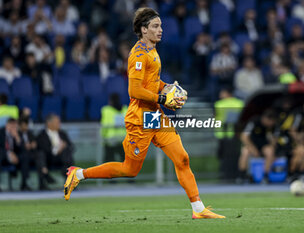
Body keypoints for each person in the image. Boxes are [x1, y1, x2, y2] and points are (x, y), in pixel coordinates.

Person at [64, 7, 225, 219]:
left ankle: (198, 209)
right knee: (130, 170)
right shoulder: (138, 55)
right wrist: (161, 98)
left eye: (161, 26)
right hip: (140, 117)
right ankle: (78, 174)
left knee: (182, 158)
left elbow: (152, 82)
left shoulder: (152, 51)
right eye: (156, 26)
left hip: (155, 115)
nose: (160, 30)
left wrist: (167, 87)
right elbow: (134, 90)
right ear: (143, 29)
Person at [237, 109, 277, 184]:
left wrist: (274, 148)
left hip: (263, 145)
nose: (271, 124)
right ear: (266, 119)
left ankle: (265, 176)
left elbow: (273, 139)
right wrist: (253, 149)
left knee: (270, 151)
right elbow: (244, 137)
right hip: (252, 144)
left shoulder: (272, 127)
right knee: (245, 152)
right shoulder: (254, 121)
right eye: (271, 121)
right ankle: (241, 176)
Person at [37, 114, 74, 179]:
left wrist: (64, 146)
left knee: (67, 152)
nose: (59, 124)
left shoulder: (62, 134)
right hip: (49, 158)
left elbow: (71, 146)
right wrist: (57, 150)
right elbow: (43, 148)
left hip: (62, 158)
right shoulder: (42, 135)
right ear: (49, 123)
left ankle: (69, 177)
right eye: (57, 122)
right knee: (40, 154)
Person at [18, 117, 49, 190]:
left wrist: (33, 145)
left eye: (26, 125)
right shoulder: (17, 134)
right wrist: (24, 146)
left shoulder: (29, 133)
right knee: (25, 158)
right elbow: (16, 146)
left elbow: (35, 143)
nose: (26, 127)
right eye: (24, 125)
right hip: (21, 156)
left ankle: (42, 182)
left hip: (31, 155)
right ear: (20, 126)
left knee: (40, 155)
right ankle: (24, 183)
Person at [0, 118, 31, 190]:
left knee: (25, 156)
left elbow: (22, 149)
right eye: (13, 126)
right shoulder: (1, 133)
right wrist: (9, 154)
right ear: (7, 125)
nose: (14, 128)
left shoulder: (18, 133)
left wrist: (17, 138)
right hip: (4, 156)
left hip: (16, 157)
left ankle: (24, 184)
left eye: (15, 126)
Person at [101, 94, 127, 163]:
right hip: (123, 139)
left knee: (109, 162)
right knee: (125, 161)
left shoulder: (106, 110)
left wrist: (103, 138)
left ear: (110, 101)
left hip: (110, 140)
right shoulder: (125, 109)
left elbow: (104, 126)